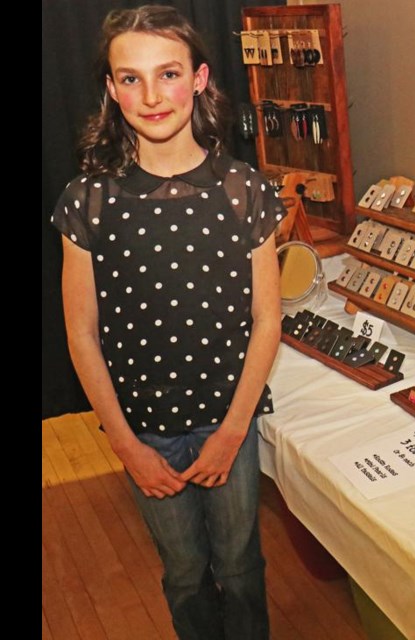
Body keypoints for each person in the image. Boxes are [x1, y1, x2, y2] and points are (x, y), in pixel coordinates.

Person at [51, 6, 285, 639]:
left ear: (201, 78)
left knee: (240, 567)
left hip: (227, 421)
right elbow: (80, 333)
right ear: (110, 88)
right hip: (143, 431)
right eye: (130, 78)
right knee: (183, 573)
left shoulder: (246, 191)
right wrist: (127, 447)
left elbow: (268, 319)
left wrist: (234, 433)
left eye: (169, 73)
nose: (151, 96)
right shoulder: (87, 200)